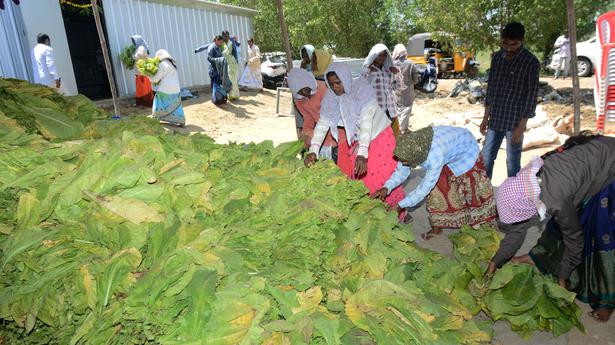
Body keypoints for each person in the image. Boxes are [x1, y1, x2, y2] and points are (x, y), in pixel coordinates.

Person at [487, 132, 615, 322]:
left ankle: (607, 301)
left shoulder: (555, 199)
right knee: (561, 221)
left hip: (610, 166)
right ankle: (537, 258)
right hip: (586, 165)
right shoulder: (525, 183)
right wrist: (495, 262)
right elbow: (518, 229)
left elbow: (575, 239)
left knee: (600, 230)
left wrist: (562, 278)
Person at [304, 63, 405, 208]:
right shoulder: (331, 98)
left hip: (379, 137)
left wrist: (362, 153)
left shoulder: (362, 90)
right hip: (359, 140)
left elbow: (366, 121)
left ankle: (398, 211)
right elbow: (322, 124)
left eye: (338, 82)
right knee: (363, 181)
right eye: (331, 84)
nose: (335, 87)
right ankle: (372, 215)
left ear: (345, 78)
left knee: (384, 178)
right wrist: (313, 150)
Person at [371, 126, 496, 237]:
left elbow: (424, 188)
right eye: (402, 160)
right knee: (437, 194)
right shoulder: (407, 148)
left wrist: (401, 205)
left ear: (416, 157)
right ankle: (437, 228)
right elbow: (401, 171)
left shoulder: (434, 156)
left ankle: (478, 222)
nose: (403, 163)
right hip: (448, 146)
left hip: (466, 148)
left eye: (406, 161)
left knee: (470, 189)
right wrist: (386, 187)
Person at [480, 22, 540, 179]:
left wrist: (521, 127)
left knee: (512, 163)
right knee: (486, 159)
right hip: (496, 119)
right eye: (505, 43)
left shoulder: (531, 62)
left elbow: (531, 96)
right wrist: (485, 118)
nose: (508, 48)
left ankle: (513, 198)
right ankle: (485, 195)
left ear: (522, 41)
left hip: (514, 122)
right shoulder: (497, 58)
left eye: (514, 44)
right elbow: (491, 89)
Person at [287, 68, 336, 161]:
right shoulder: (299, 100)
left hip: (336, 132)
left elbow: (328, 118)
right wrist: (306, 135)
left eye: (306, 89)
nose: (305, 93)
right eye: (300, 92)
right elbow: (308, 118)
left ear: (310, 83)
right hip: (320, 134)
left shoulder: (324, 89)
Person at [361, 44, 400, 137]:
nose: (382, 58)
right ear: (373, 56)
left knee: (391, 136)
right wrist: (367, 71)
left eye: (384, 55)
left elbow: (396, 87)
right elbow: (361, 86)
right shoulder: (368, 70)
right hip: (376, 112)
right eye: (379, 55)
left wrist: (397, 74)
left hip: (389, 110)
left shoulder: (387, 71)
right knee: (378, 137)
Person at [148, 49, 185, 127]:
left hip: (165, 88)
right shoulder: (172, 64)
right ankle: (181, 120)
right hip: (176, 88)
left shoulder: (162, 65)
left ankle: (156, 117)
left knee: (158, 101)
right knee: (176, 105)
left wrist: (148, 76)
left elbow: (156, 79)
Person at [391, 44, 416, 134]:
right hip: (408, 91)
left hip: (395, 90)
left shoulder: (392, 63)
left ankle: (398, 128)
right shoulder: (410, 63)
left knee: (397, 109)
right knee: (407, 109)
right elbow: (415, 78)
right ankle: (403, 129)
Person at [207, 35, 230, 105]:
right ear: (217, 40)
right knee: (215, 85)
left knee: (218, 84)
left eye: (222, 42)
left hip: (218, 69)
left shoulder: (218, 47)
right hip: (213, 70)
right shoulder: (211, 47)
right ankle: (215, 100)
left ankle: (218, 99)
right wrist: (219, 59)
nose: (221, 43)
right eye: (220, 42)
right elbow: (209, 58)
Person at [221, 30, 240, 101]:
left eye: (227, 36)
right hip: (226, 62)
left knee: (232, 79)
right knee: (227, 79)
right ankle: (232, 94)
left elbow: (231, 53)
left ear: (229, 36)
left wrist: (237, 62)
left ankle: (233, 95)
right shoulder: (223, 44)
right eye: (224, 36)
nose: (225, 37)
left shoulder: (231, 43)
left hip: (232, 63)